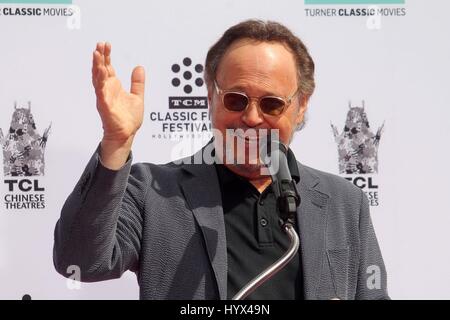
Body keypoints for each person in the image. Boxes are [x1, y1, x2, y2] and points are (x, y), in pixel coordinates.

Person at [53, 20, 389, 300]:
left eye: (272, 104)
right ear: (211, 96)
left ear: (300, 105)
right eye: (236, 100)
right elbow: (79, 261)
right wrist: (116, 142)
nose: (252, 118)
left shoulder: (345, 203)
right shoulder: (153, 191)